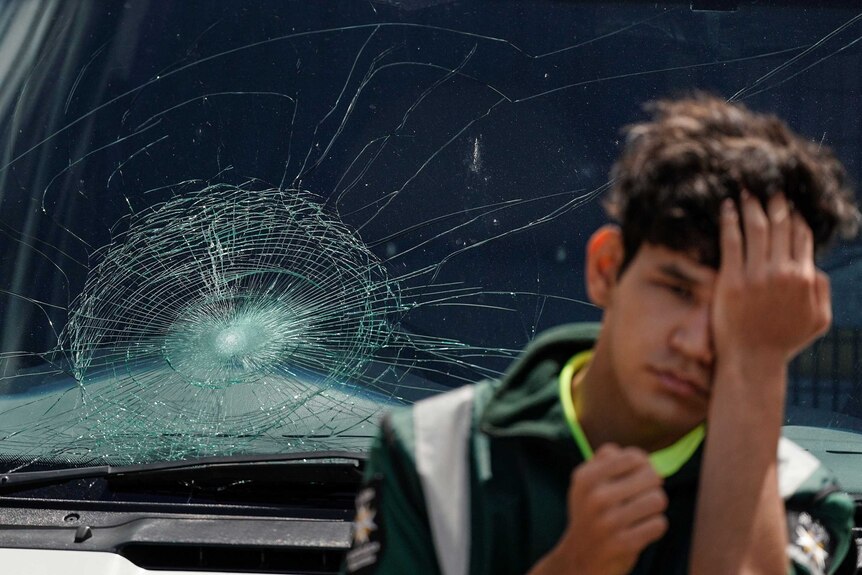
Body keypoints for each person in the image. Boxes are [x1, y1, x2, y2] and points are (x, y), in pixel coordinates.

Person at [342, 95, 861, 575]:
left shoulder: (798, 499)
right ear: (607, 269)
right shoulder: (432, 458)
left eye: (741, 315)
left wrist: (756, 365)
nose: (697, 343)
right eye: (678, 289)